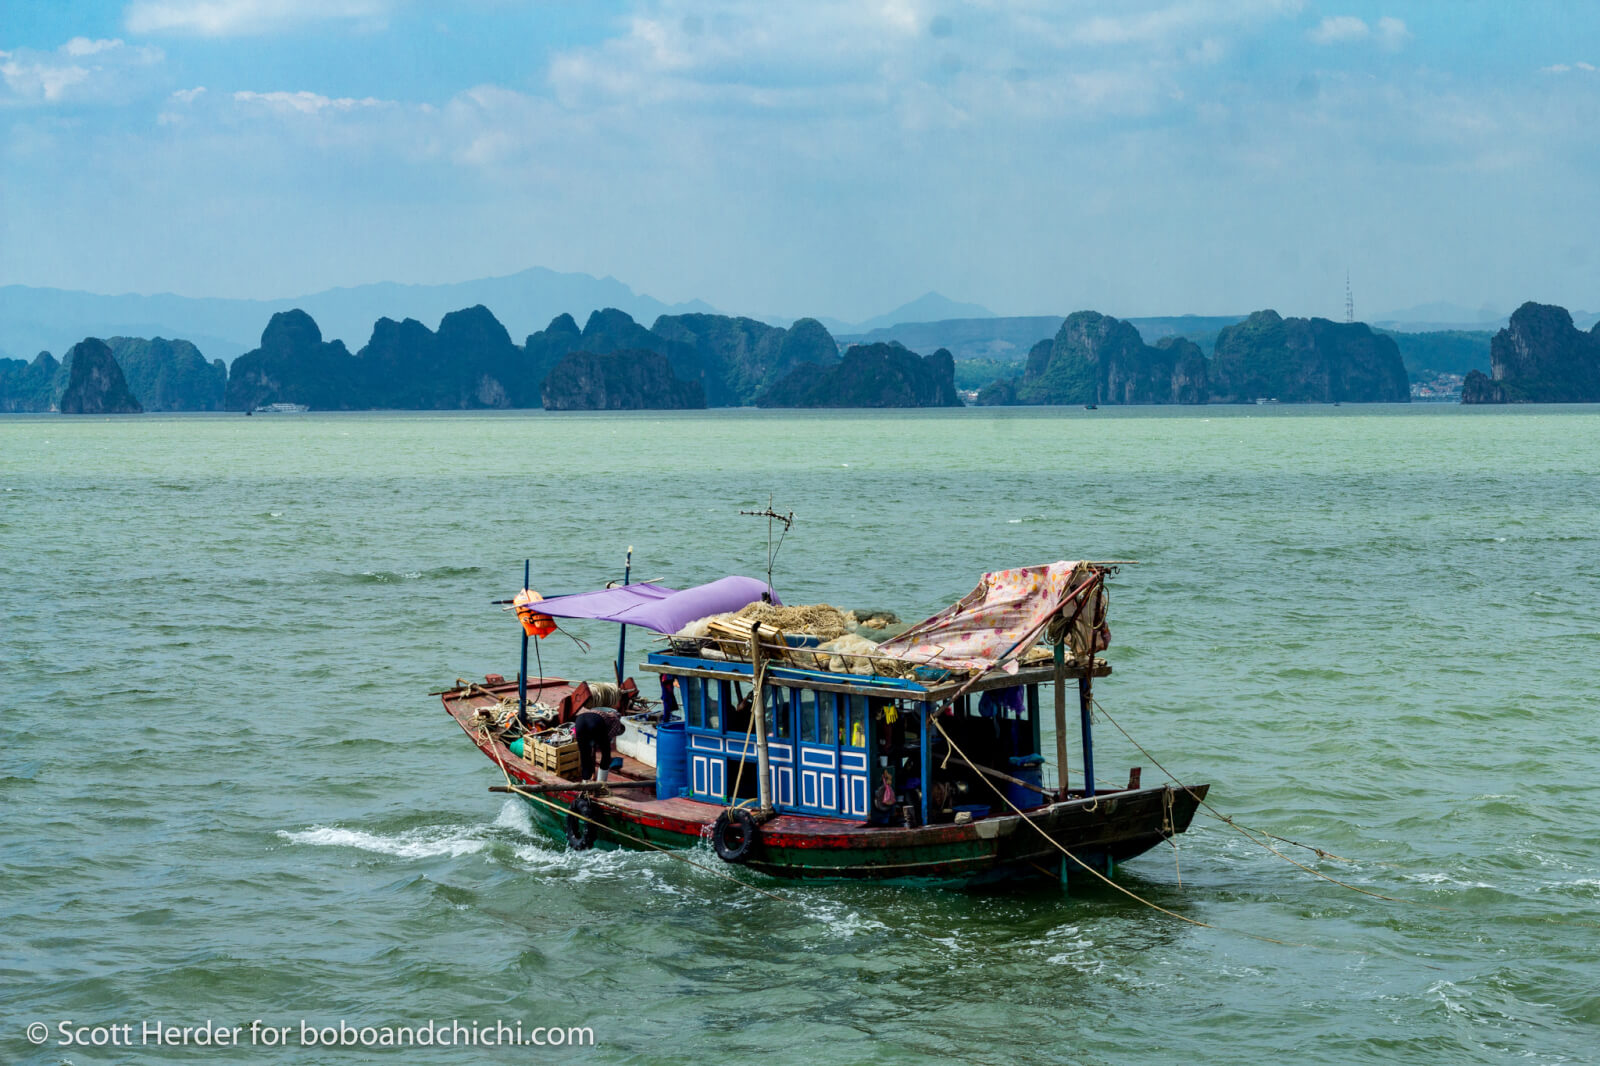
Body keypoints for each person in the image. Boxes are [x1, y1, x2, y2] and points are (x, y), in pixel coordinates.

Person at [572, 683, 628, 782]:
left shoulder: (589, 710)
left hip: (580, 721)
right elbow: (608, 737)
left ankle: (586, 786)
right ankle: (601, 785)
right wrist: (602, 744)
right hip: (596, 722)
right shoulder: (615, 718)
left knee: (584, 756)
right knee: (606, 754)